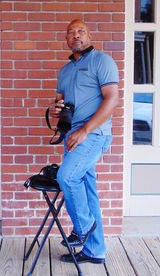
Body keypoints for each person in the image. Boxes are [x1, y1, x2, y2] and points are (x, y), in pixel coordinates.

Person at [49, 19, 119, 264]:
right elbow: (59, 101)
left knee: (67, 177)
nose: (75, 35)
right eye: (71, 32)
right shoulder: (65, 71)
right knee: (88, 192)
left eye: (80, 31)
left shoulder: (102, 61)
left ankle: (84, 228)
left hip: (93, 134)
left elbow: (111, 100)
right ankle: (95, 250)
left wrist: (86, 130)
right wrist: (57, 109)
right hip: (72, 136)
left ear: (89, 35)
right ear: (66, 39)